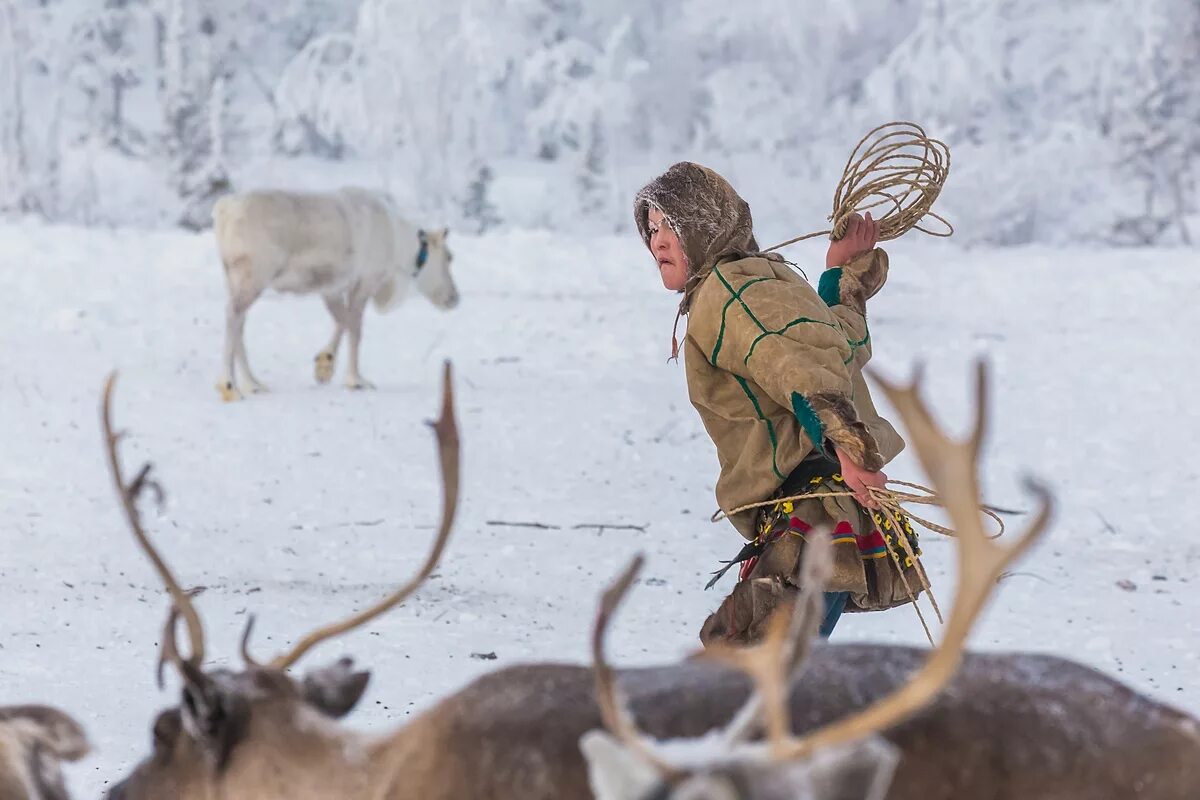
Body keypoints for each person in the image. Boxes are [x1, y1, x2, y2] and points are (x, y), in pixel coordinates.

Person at [633, 161, 926, 646]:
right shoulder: (762, 282)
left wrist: (850, 447)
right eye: (652, 228)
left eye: (672, 225)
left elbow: (797, 364)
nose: (657, 241)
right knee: (760, 666)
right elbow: (836, 342)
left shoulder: (730, 291)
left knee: (750, 670)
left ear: (707, 225)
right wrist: (839, 272)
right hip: (824, 507)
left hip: (816, 515)